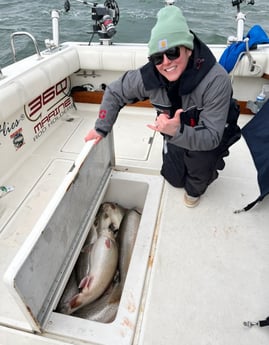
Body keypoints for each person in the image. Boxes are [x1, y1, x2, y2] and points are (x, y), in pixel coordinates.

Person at [84, 5, 240, 208]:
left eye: (173, 52)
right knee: (174, 179)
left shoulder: (216, 80)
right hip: (173, 132)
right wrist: (100, 127)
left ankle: (198, 186)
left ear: (188, 49)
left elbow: (211, 137)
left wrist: (177, 131)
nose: (166, 62)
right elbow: (114, 92)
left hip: (207, 135)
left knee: (197, 175)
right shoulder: (148, 76)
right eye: (158, 57)